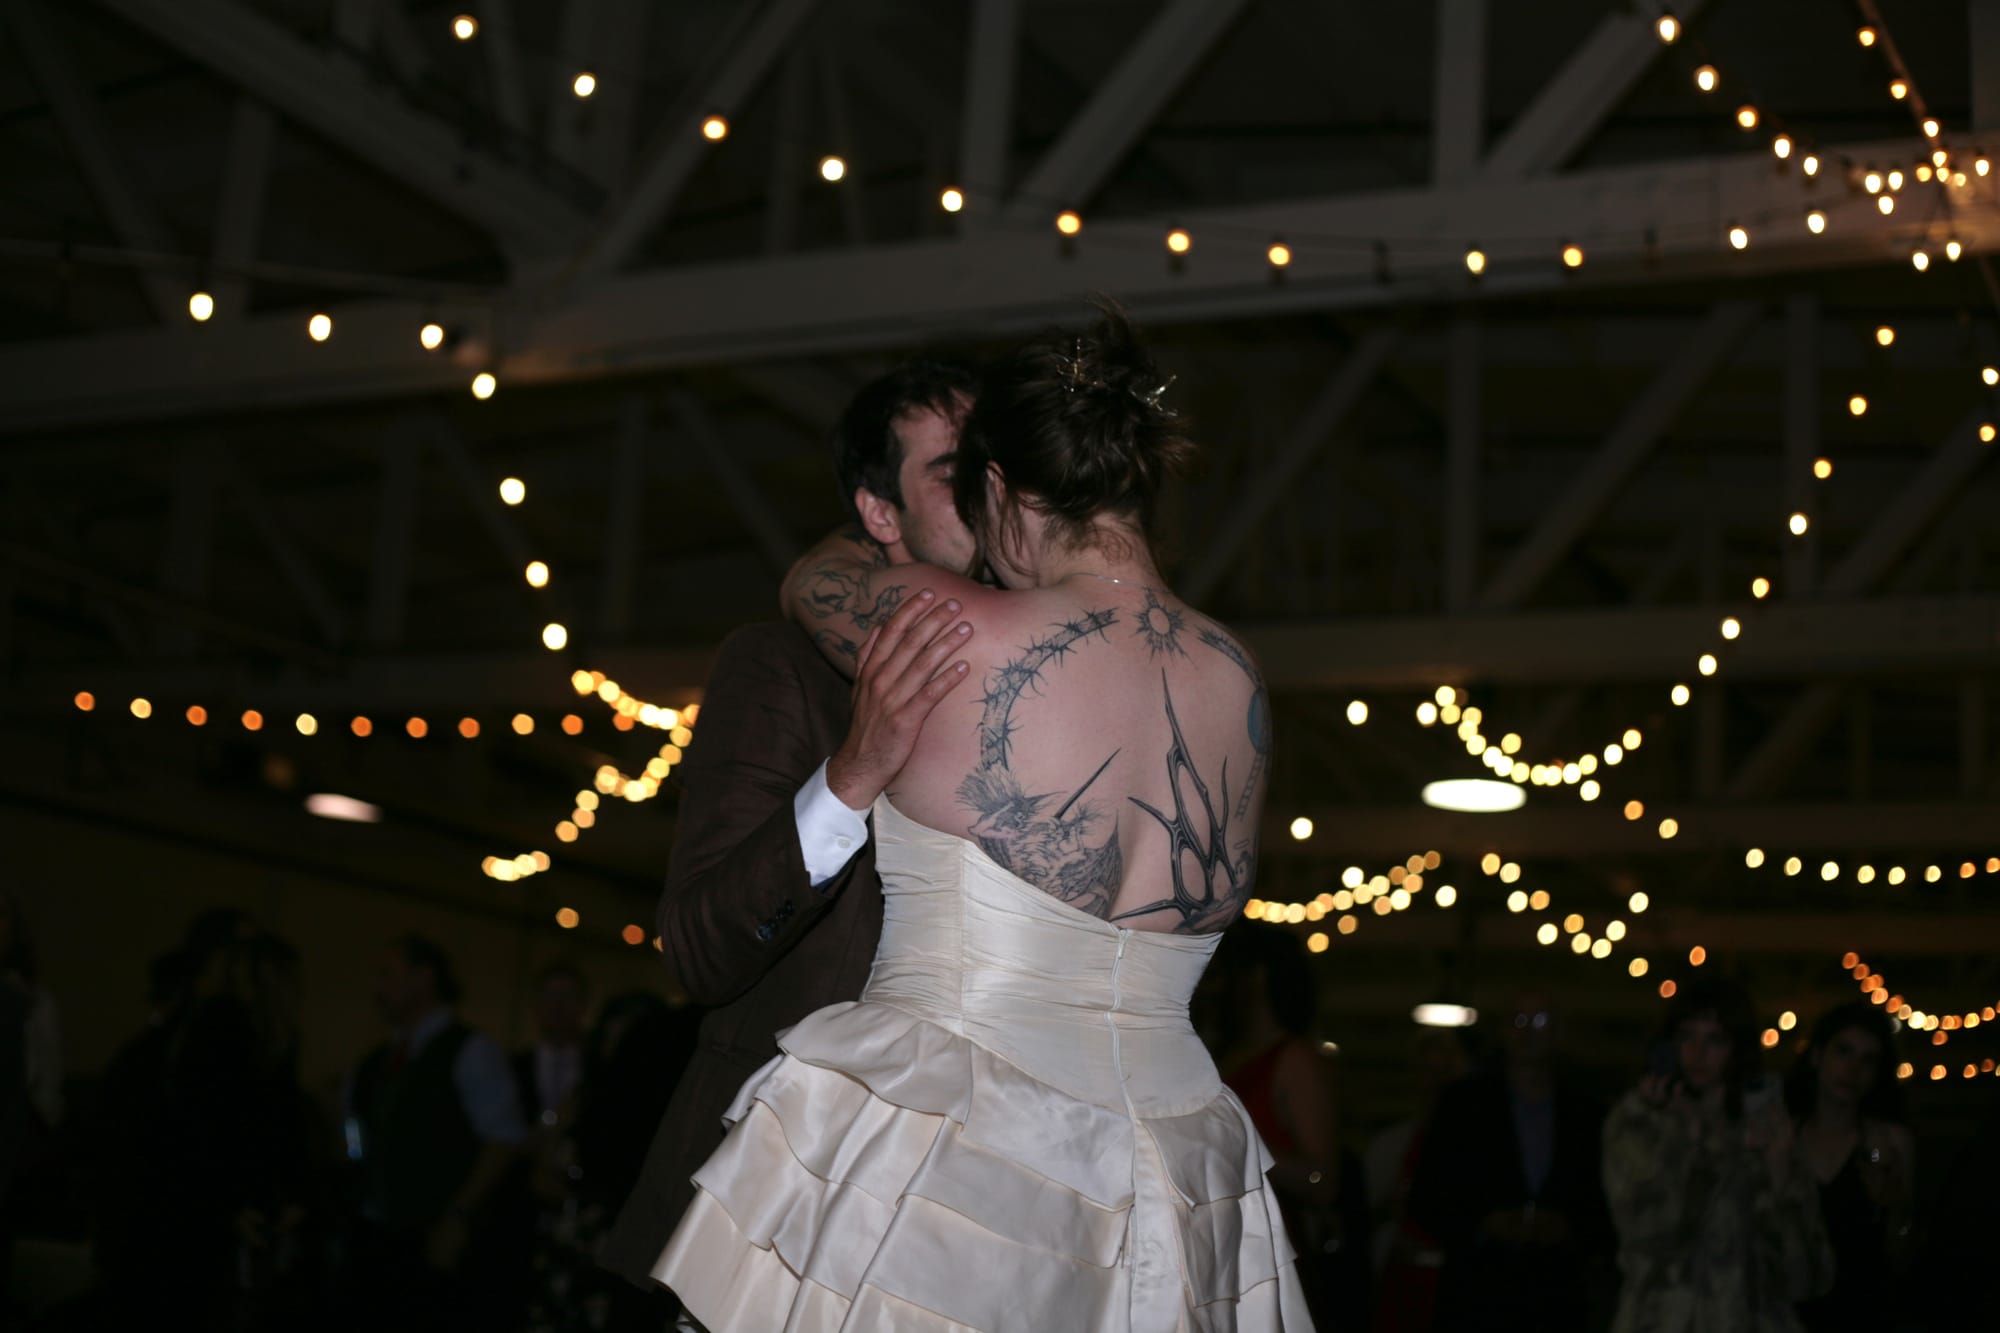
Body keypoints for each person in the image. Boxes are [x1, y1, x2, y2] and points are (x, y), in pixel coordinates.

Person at [654, 303, 1312, 1327]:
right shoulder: (1238, 678)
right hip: (1171, 1163)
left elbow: (810, 580)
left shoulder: (945, 625)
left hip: (954, 1148)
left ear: (1000, 489)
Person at [598, 358, 984, 1291]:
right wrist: (850, 777)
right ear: (879, 513)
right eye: (950, 470)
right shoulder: (781, 668)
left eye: (994, 462)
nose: (986, 486)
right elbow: (698, 947)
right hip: (776, 1203)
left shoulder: (1043, 693)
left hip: (963, 1202)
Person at [1603, 978, 1831, 1333]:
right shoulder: (1641, 1121)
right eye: (1686, 1036)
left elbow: (1806, 1277)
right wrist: (1696, 1143)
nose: (1698, 1052)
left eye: (1715, 1040)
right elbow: (1650, 1234)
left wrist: (1780, 1176)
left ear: (1736, 1048)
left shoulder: (1764, 1130)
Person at [341, 934, 528, 1332]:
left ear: (423, 979)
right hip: (375, 1236)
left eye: (388, 974)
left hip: (430, 1240)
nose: (377, 987)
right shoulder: (375, 1061)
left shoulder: (470, 1051)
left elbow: (504, 1139)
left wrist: (457, 1217)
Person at [1407, 989, 1611, 1332]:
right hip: (1476, 1296)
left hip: (1556, 1298)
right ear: (1502, 1030)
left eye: (1540, 1021)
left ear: (1559, 1032)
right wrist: (1483, 1224)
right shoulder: (1463, 1106)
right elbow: (1427, 1195)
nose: (1528, 1031)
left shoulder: (1587, 1113)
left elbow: (1607, 1201)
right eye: (1518, 1020)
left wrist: (1568, 1228)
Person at [1203, 927, 1367, 1329]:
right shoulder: (1222, 1053)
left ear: (1256, 976)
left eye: (1225, 973)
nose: (1215, 986)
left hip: (1269, 1252)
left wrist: (1240, 1148)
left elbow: (1323, 1179)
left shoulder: (1294, 1060)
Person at [1785, 1003, 1912, 1333]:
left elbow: (1901, 1248)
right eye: (1844, 1052)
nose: (1853, 1069)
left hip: (1862, 1314)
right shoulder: (1783, 1139)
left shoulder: (1884, 1144)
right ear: (1817, 1056)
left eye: (1868, 1060)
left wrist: (1893, 1207)